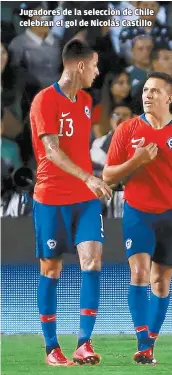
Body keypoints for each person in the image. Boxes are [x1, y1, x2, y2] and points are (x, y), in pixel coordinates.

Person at [30, 39, 112, 367]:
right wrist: (88, 176)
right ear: (79, 66)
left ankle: (83, 344)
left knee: (92, 261)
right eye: (93, 66)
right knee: (51, 269)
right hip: (51, 198)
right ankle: (52, 347)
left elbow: (80, 147)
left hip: (85, 200)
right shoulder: (44, 101)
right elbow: (51, 151)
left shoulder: (88, 100)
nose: (97, 71)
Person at [103, 72, 172, 364]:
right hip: (137, 211)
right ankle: (142, 343)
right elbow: (107, 175)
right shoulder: (128, 129)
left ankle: (150, 344)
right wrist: (137, 160)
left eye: (155, 91)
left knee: (161, 282)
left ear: (169, 97)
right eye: (145, 90)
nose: (148, 95)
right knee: (140, 274)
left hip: (169, 214)